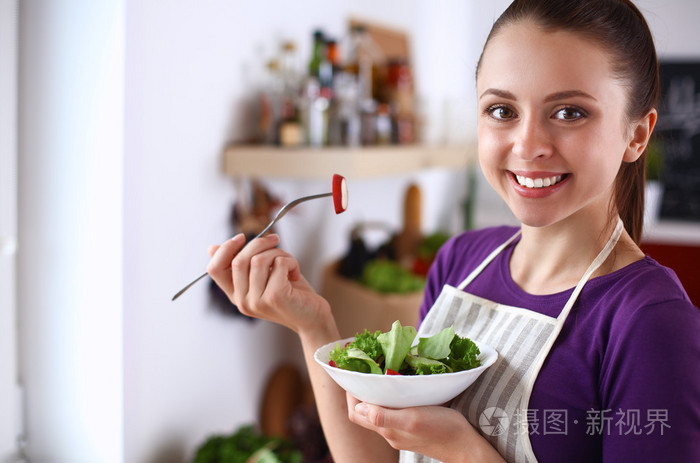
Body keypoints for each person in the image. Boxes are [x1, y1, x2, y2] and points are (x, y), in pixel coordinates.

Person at [206, 0, 700, 461]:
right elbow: (384, 457)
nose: (528, 146)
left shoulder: (649, 321)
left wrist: (468, 452)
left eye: (569, 112)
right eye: (502, 110)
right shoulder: (460, 262)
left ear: (637, 134)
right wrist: (313, 325)